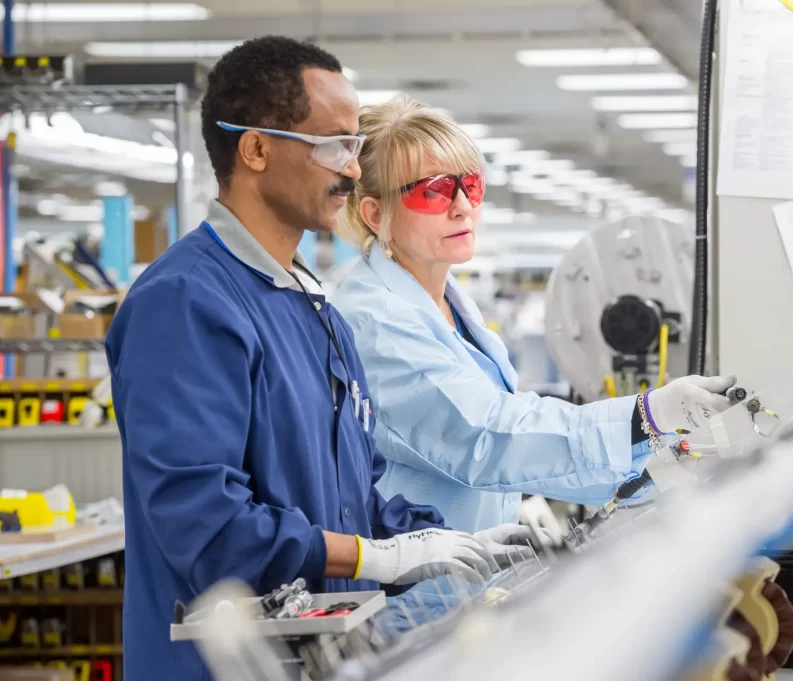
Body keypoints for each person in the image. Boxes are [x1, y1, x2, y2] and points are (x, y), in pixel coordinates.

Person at [105, 38, 531, 681]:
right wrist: (370, 557)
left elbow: (354, 496)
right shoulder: (186, 303)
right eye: (334, 145)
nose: (354, 169)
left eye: (354, 147)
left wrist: (447, 542)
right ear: (255, 149)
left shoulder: (310, 306)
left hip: (321, 658)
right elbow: (207, 527)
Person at [332, 94, 737, 534]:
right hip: (416, 586)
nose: (463, 205)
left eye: (470, 185)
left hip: (465, 571)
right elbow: (487, 439)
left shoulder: (451, 306)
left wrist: (669, 465)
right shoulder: (374, 320)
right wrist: (644, 415)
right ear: (375, 213)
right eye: (434, 190)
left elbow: (533, 461)